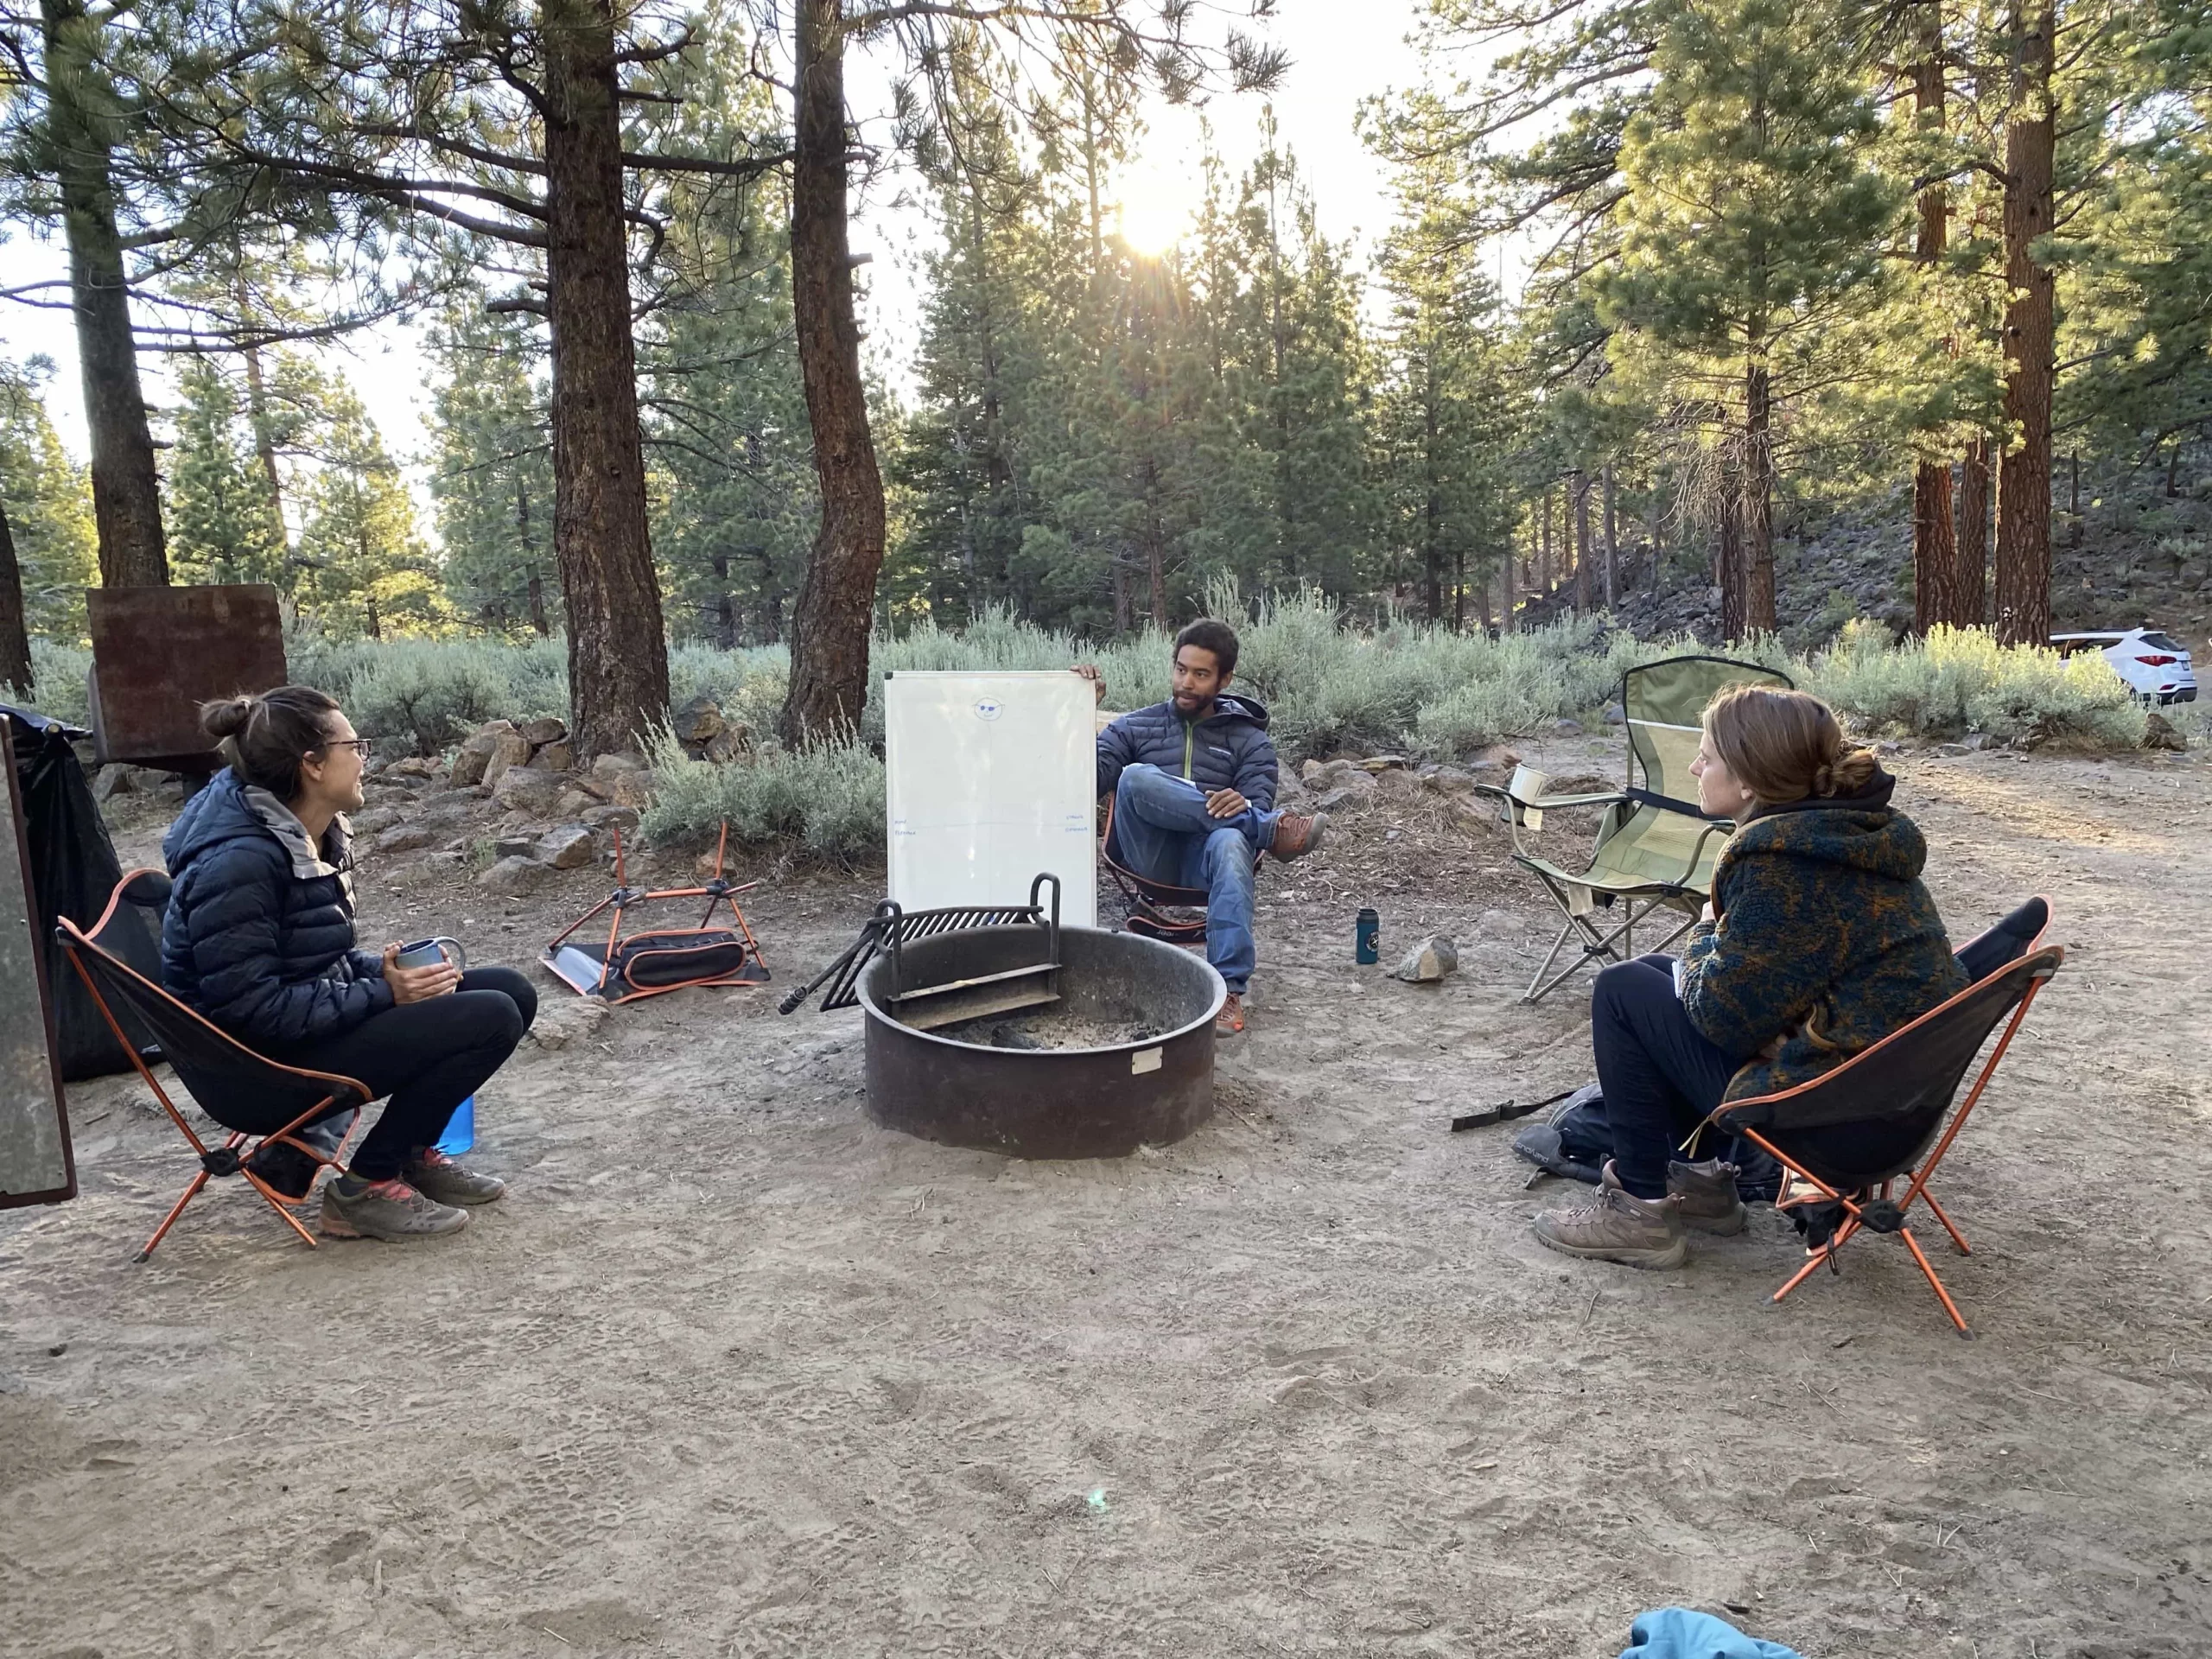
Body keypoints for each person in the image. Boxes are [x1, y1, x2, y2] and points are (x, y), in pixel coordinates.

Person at [1531, 683, 1967, 1269]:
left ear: (1749, 784)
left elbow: (1723, 1020)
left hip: (1832, 1119)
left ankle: (1640, 1210)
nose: (1693, 767)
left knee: (1622, 991)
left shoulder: (1783, 868)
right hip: (1884, 1101)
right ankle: (1702, 1183)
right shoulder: (1849, 837)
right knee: (1655, 976)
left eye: (1706, 757)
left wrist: (1709, 926)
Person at [161, 686, 537, 1243]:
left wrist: (377, 973)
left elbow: (307, 959)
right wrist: (387, 993)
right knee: (488, 1016)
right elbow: (254, 1011)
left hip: (294, 1035)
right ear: (311, 765)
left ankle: (408, 1153)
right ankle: (365, 1188)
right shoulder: (239, 864)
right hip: (256, 1071)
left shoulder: (303, 833)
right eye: (355, 745)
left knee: (509, 991)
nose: (365, 758)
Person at [1078, 620, 1325, 1035]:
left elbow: (1254, 801)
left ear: (1225, 678)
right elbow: (1084, 781)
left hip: (1207, 861)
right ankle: (1271, 829)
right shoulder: (1136, 726)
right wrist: (1077, 709)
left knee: (1231, 837)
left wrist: (1245, 805)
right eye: (1180, 669)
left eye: (1200, 674)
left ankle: (1226, 990)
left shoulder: (1250, 742)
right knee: (1136, 777)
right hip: (1148, 855)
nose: (1186, 682)